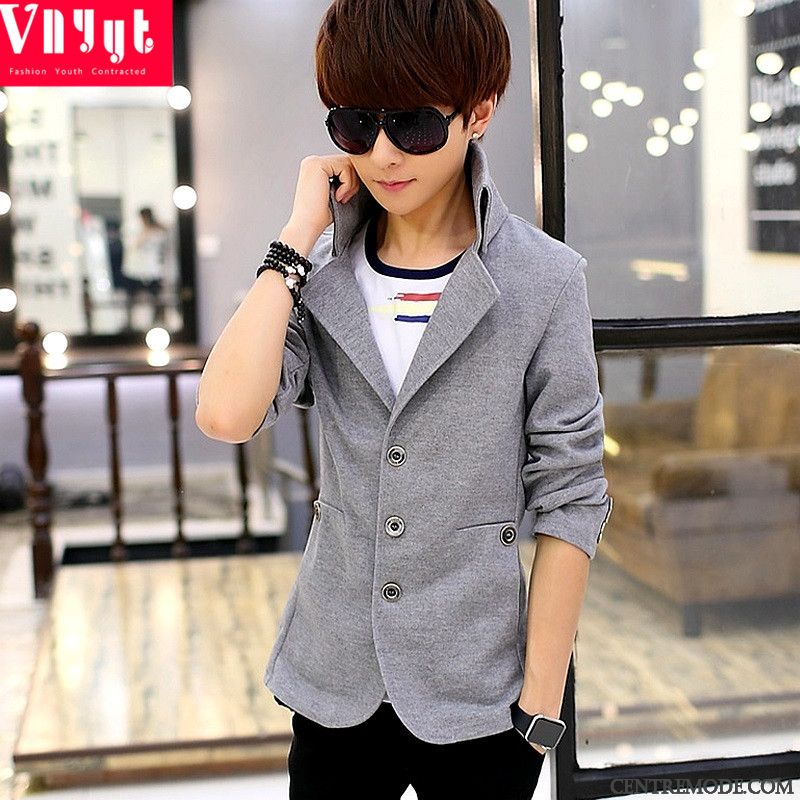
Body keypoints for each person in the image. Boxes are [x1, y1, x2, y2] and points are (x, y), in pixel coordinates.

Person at [196, 1, 613, 797]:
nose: (383, 154)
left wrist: (540, 705)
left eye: (414, 124)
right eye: (356, 124)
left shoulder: (545, 279)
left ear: (479, 112)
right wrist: (295, 237)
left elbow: (571, 494)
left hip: (482, 696)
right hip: (335, 681)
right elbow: (224, 414)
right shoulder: (319, 275)